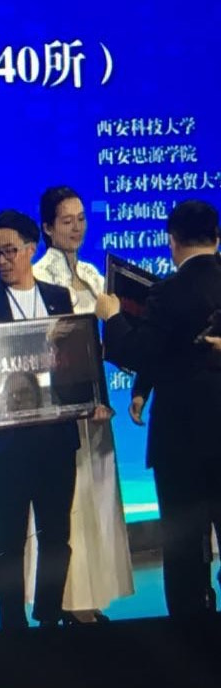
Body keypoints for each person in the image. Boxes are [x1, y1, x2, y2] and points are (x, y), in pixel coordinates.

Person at [0, 209, 89, 630]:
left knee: (56, 535)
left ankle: (48, 616)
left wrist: (91, 399)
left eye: (9, 251)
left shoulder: (58, 297)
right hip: (4, 442)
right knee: (9, 540)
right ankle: (11, 626)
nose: (1, 260)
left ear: (31, 249)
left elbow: (73, 361)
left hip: (55, 437)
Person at [96, 199, 221, 620]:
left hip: (182, 442)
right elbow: (175, 350)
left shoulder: (167, 291)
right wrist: (142, 388)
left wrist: (113, 317)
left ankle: (192, 634)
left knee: (184, 548)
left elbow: (141, 350)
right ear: (217, 236)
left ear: (172, 240)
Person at [26, 186, 133, 623]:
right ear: (48, 228)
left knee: (97, 497)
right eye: (67, 221)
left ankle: (92, 596)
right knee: (66, 503)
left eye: (81, 219)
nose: (77, 228)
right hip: (62, 406)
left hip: (98, 405)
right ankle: (68, 601)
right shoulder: (38, 277)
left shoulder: (92, 273)